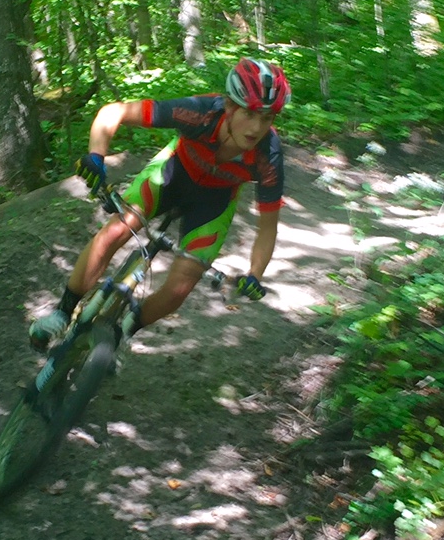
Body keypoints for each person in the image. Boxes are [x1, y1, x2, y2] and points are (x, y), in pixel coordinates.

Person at [29, 58, 292, 346]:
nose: (257, 127)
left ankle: (121, 334)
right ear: (229, 106)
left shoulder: (269, 155)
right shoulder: (199, 113)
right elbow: (112, 113)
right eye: (250, 114)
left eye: (267, 118)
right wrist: (96, 155)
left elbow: (268, 227)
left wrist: (255, 274)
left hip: (215, 200)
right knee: (117, 229)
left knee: (181, 285)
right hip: (173, 172)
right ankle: (62, 313)